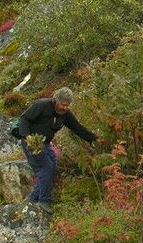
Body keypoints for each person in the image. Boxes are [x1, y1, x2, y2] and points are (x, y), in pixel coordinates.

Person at [9, 86, 97, 217]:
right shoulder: (42, 105)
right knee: (46, 168)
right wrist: (27, 137)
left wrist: (94, 139)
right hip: (32, 142)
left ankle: (32, 199)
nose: (65, 107)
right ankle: (44, 201)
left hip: (45, 143)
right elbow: (24, 119)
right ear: (56, 100)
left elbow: (77, 128)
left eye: (68, 105)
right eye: (63, 104)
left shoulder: (65, 115)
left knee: (53, 166)